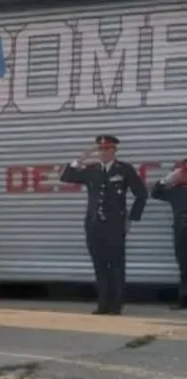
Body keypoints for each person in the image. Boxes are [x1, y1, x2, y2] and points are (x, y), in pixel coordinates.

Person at [60, 135, 147, 315]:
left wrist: (131, 218)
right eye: (101, 149)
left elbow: (141, 194)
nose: (104, 153)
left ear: (115, 150)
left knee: (116, 266)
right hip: (94, 224)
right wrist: (82, 157)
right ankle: (102, 304)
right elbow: (65, 176)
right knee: (99, 266)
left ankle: (116, 305)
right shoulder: (91, 169)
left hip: (115, 226)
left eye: (108, 149)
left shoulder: (124, 169)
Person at [150, 161, 187, 310]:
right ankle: (184, 300)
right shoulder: (176, 190)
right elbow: (155, 193)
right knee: (184, 267)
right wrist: (168, 178)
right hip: (182, 231)